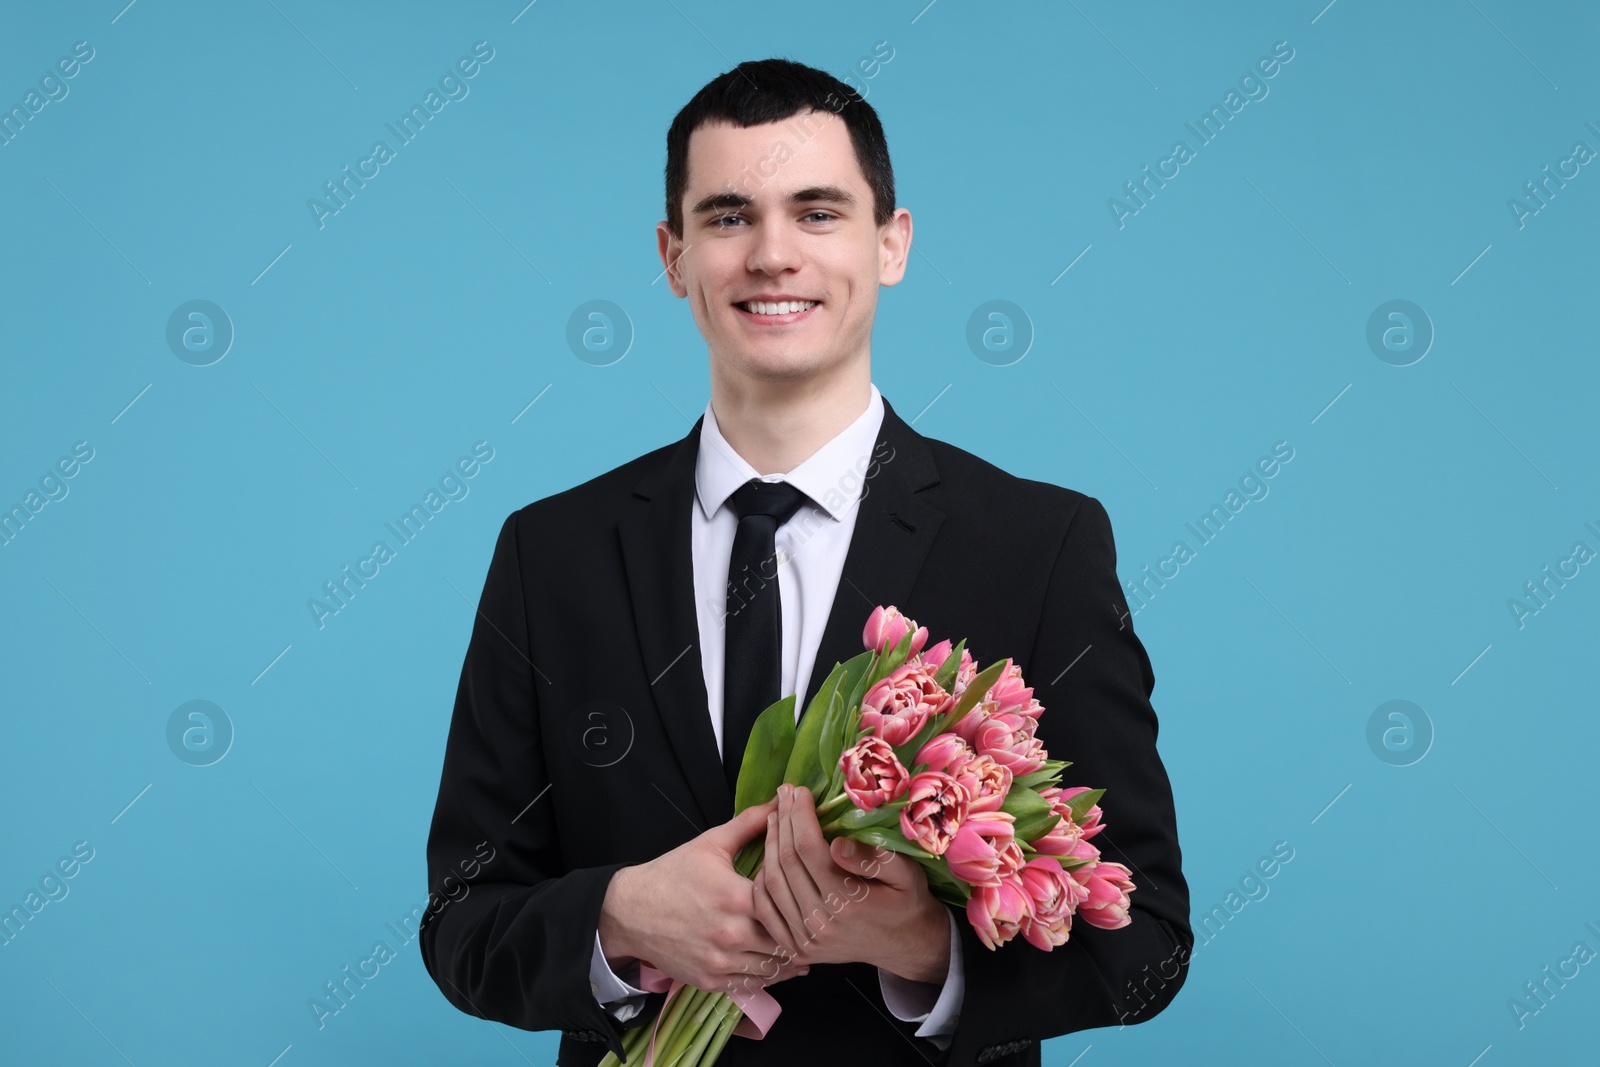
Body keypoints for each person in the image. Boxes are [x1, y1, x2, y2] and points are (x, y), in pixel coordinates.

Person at [420, 57, 1192, 1067]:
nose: (771, 254)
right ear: (673, 254)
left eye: (818, 212)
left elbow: (1147, 946)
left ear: (891, 243)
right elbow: (462, 921)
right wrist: (618, 918)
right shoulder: (551, 552)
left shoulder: (1038, 545)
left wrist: (919, 945)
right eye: (729, 216)